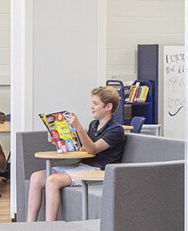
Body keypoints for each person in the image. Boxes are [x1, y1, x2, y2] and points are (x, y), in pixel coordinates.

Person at [25, 86, 126, 222]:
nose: (91, 107)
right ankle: (29, 225)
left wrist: (78, 127)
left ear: (108, 107)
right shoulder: (94, 125)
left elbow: (93, 149)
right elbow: (83, 149)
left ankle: (49, 228)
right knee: (36, 177)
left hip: (98, 170)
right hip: (84, 165)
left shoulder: (116, 130)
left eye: (95, 104)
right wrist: (56, 142)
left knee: (52, 180)